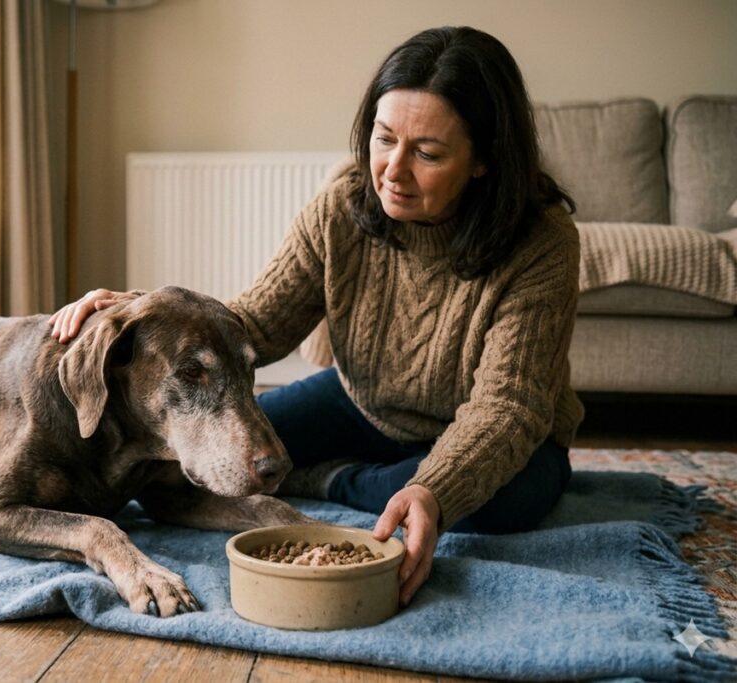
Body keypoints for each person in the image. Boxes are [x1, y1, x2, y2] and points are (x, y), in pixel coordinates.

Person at [47, 26, 584, 608]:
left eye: (427, 153)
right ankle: (379, 476)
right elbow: (252, 323)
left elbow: (506, 406)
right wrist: (137, 313)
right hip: (362, 403)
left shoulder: (543, 241)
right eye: (384, 140)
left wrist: (432, 488)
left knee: (499, 504)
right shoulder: (343, 207)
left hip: (500, 429)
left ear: (483, 160)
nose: (392, 171)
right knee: (207, 458)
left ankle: (341, 480)